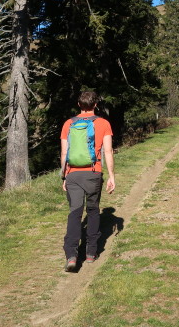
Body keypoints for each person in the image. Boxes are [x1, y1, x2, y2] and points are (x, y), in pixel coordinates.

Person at [60, 91, 115, 272]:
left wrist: (64, 176)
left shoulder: (68, 124)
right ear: (96, 105)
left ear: (78, 104)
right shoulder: (103, 124)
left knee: (75, 212)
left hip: (73, 175)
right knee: (92, 210)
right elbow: (108, 152)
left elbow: (64, 153)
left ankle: (72, 255)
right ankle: (91, 252)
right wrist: (112, 176)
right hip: (93, 173)